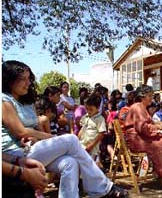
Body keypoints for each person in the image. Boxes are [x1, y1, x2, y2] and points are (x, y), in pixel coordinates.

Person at [2, 60, 128, 198]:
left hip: (32, 148)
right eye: (22, 79)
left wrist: (36, 136)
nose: (28, 83)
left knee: (70, 163)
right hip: (13, 155)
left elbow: (35, 128)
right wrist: (51, 138)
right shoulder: (4, 100)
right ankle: (102, 188)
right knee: (71, 139)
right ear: (9, 80)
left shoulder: (28, 101)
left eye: (28, 78)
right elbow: (20, 131)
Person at [78, 94, 106, 160]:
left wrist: (91, 145)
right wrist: (77, 139)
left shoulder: (100, 119)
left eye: (91, 109)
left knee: (90, 165)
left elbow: (101, 134)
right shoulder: (85, 117)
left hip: (92, 149)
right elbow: (82, 129)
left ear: (98, 107)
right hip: (82, 145)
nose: (88, 111)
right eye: (87, 109)